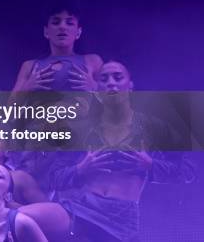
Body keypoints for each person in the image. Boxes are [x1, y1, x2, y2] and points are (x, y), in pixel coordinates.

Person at [18, 61, 196, 242]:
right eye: (104, 79)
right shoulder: (82, 129)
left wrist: (150, 166)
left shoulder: (152, 127)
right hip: (80, 208)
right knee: (17, 219)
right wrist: (80, 169)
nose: (111, 83)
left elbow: (187, 171)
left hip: (119, 218)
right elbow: (56, 178)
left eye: (118, 77)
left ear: (130, 86)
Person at [8, 4, 103, 196]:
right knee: (35, 201)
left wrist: (93, 88)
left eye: (70, 23)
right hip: (37, 149)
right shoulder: (31, 66)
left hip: (77, 148)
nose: (62, 27)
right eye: (56, 22)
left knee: (72, 206)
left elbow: (114, 105)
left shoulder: (91, 61)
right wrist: (28, 87)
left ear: (78, 32)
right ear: (46, 31)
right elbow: (10, 108)